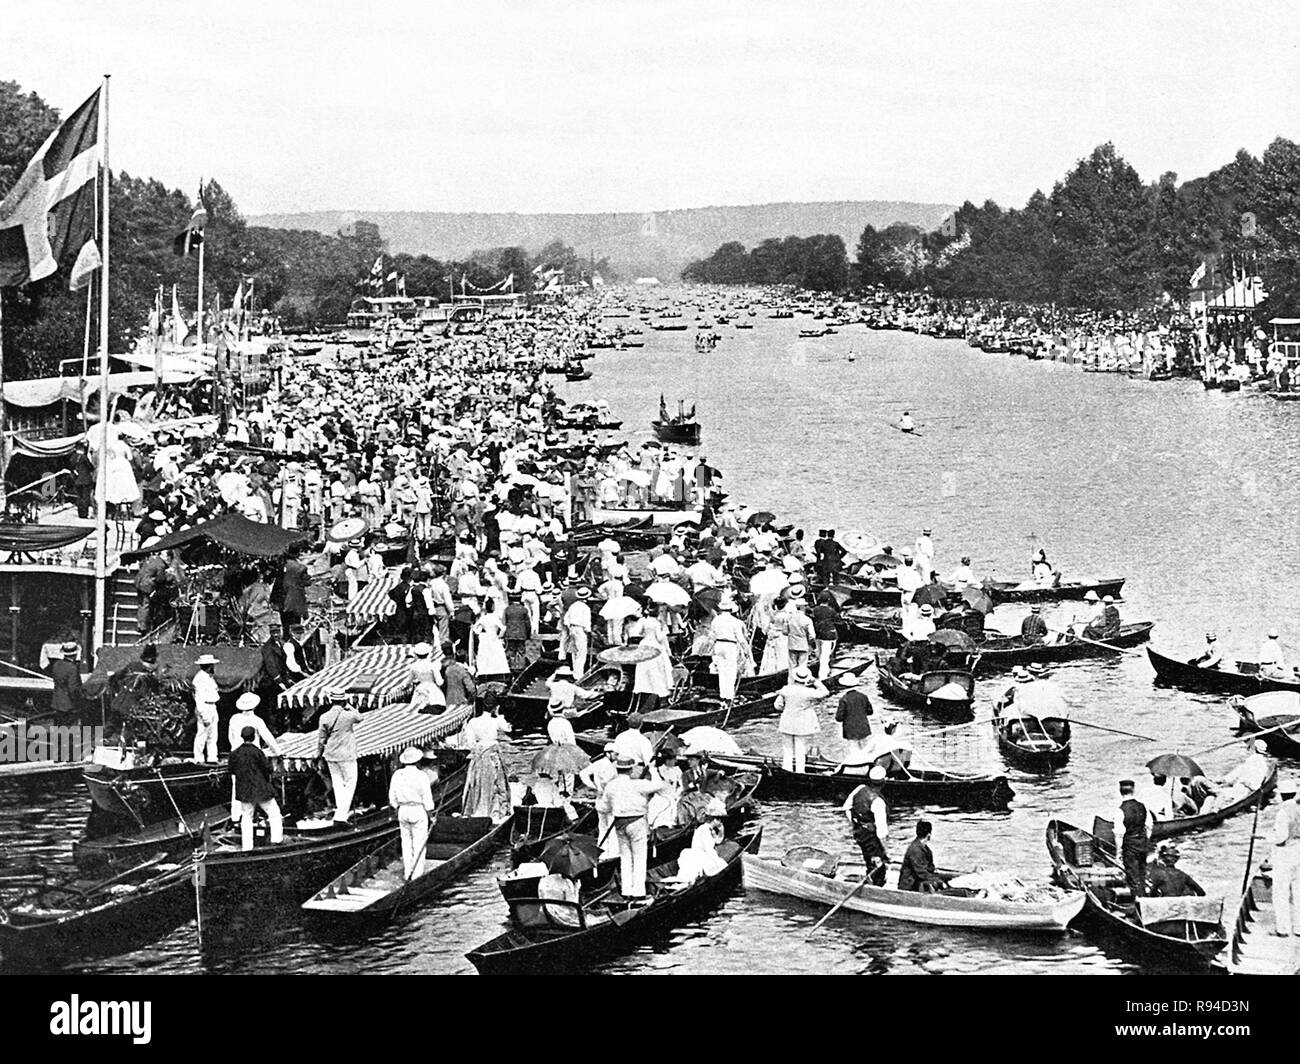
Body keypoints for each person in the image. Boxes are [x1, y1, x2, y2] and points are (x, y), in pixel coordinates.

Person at [597, 755, 671, 900]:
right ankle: (638, 892)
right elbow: (659, 785)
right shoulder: (638, 784)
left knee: (625, 858)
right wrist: (653, 770)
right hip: (637, 823)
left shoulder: (611, 787)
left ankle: (626, 891)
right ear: (630, 769)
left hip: (619, 824)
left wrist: (602, 797)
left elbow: (603, 808)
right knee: (639, 857)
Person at [229, 725, 284, 851]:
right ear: (254, 737)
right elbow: (268, 769)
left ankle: (247, 847)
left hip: (244, 790)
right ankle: (276, 841)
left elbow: (231, 770)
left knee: (246, 817)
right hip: (260, 788)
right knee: (273, 813)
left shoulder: (235, 754)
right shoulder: (258, 752)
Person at [317, 689, 364, 823]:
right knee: (350, 783)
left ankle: (340, 812)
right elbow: (360, 717)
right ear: (344, 700)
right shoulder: (348, 715)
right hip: (347, 753)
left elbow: (321, 739)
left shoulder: (324, 717)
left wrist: (318, 754)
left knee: (337, 784)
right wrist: (350, 706)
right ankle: (341, 815)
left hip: (331, 753)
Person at [389, 747, 437, 878]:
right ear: (418, 761)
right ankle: (417, 874)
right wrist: (431, 816)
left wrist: (396, 809)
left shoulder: (397, 774)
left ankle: (407, 872)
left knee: (406, 843)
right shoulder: (421, 776)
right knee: (419, 843)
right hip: (418, 810)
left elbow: (392, 798)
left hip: (403, 810)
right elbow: (427, 800)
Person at [460, 701, 510, 820]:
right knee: (497, 783)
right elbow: (508, 729)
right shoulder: (495, 721)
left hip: (480, 753)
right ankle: (495, 812)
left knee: (477, 781)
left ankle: (477, 810)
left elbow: (470, 742)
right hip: (492, 754)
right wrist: (498, 714)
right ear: (494, 708)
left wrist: (478, 749)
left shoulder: (473, 722)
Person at [777, 666, 828, 773]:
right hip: (801, 723)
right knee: (800, 748)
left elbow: (777, 705)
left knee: (787, 749)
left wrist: (785, 709)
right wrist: (815, 681)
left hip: (787, 721)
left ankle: (787, 769)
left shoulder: (786, 689)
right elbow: (825, 692)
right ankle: (800, 771)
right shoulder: (808, 692)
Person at [844, 765, 889, 885]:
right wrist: (886, 851)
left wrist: (855, 823)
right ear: (883, 782)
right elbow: (881, 833)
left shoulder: (860, 788)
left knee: (869, 859)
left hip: (859, 833)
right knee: (879, 867)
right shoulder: (878, 802)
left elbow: (847, 807)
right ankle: (875, 890)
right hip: (871, 839)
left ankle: (869, 877)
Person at [1203, 739, 1273, 812]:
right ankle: (1211, 810)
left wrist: (1221, 781)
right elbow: (1255, 784)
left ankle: (1211, 811)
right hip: (1245, 789)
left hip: (1242, 790)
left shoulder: (1252, 760)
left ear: (1255, 748)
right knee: (1215, 795)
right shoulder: (1263, 765)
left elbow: (1236, 775)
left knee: (1214, 795)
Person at [579, 741, 621, 858]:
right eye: (616, 754)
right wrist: (596, 786)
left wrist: (593, 786)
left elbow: (583, 774)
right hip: (609, 800)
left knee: (602, 827)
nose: (617, 757)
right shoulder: (608, 767)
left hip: (600, 800)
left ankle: (602, 852)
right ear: (609, 753)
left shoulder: (598, 763)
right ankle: (613, 853)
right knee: (612, 826)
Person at [1114, 779, 1154, 898]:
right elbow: (1149, 826)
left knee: (1132, 877)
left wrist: (1118, 853)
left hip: (1130, 845)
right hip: (1142, 844)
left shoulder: (1120, 810)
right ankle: (1145, 899)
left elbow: (1119, 834)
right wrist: (1145, 840)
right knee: (1142, 874)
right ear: (1133, 790)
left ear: (1120, 791)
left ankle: (1138, 904)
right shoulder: (1143, 807)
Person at [1270, 789, 1300, 936]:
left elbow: (1281, 837)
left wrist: (1267, 837)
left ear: (1282, 795)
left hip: (1285, 853)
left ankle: (1282, 929)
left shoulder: (1283, 812)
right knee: (1298, 891)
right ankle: (1299, 928)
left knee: (1281, 892)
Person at [710, 597, 746, 702]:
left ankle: (723, 694)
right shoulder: (734, 621)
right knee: (730, 670)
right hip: (730, 645)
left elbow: (712, 636)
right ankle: (729, 695)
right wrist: (746, 650)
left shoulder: (716, 620)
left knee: (722, 670)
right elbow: (741, 638)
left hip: (719, 644)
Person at [834, 672, 874, 764]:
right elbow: (870, 712)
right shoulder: (863, 696)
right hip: (863, 728)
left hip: (850, 730)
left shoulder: (844, 699)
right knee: (866, 751)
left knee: (854, 753)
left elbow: (839, 717)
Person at [898, 820, 945, 892]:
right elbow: (921, 872)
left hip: (917, 879)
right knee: (937, 883)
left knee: (942, 879)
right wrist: (939, 881)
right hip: (909, 885)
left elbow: (929, 868)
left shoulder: (924, 848)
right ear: (929, 835)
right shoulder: (915, 849)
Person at [192, 653, 221, 763]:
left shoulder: (208, 677)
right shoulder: (199, 679)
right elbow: (199, 699)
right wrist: (204, 715)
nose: (213, 667)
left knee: (213, 736)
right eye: (212, 665)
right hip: (205, 707)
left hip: (212, 706)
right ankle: (198, 758)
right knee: (202, 735)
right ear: (208, 666)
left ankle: (212, 758)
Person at [50, 642, 86, 722]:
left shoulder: (56, 664)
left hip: (57, 701)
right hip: (68, 704)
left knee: (58, 727)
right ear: (75, 654)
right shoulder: (72, 668)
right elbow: (72, 688)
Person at [562, 586, 593, 677]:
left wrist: (569, 626)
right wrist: (588, 631)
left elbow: (566, 619)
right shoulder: (586, 608)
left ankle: (575, 672)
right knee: (581, 652)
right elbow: (587, 622)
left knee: (574, 651)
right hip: (580, 629)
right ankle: (579, 674)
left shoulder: (573, 606)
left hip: (572, 628)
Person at [407, 642, 446, 713]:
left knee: (416, 710)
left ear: (416, 654)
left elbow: (408, 681)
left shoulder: (413, 666)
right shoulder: (432, 665)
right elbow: (440, 682)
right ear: (428, 653)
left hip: (420, 689)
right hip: (433, 690)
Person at [811, 590, 839, 680]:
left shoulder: (815, 610)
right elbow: (838, 619)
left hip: (818, 634)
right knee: (825, 656)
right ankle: (823, 677)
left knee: (819, 654)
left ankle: (824, 671)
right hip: (828, 635)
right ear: (829, 600)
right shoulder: (831, 611)